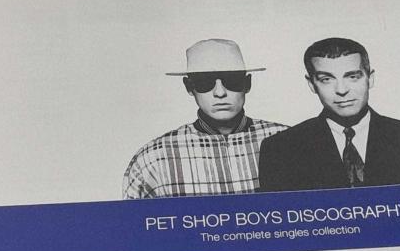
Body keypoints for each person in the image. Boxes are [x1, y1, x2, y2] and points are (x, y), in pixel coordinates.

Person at [258, 37, 400, 192]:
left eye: (352, 77)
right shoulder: (281, 150)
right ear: (311, 84)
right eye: (326, 79)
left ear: (370, 78)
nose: (342, 90)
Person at [123, 39, 287, 199]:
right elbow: (131, 217)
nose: (220, 93)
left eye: (232, 80)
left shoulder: (287, 142)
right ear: (189, 87)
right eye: (204, 82)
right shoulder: (154, 158)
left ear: (247, 83)